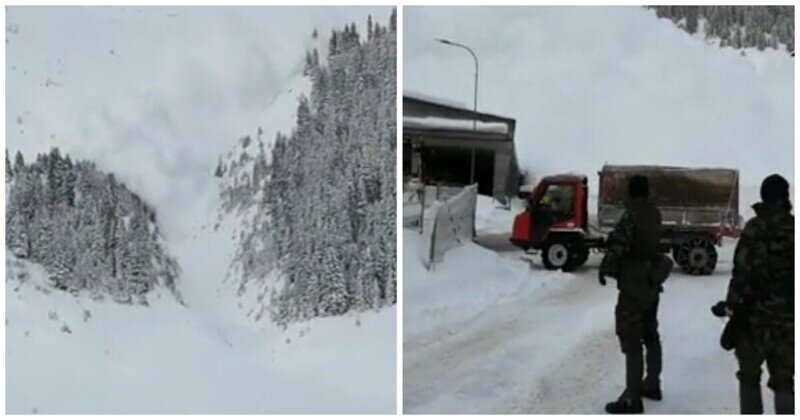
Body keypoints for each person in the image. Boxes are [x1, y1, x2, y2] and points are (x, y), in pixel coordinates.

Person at [725, 174, 794, 414]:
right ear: (786, 197)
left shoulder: (754, 228)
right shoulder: (794, 230)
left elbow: (740, 272)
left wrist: (731, 306)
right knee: (785, 380)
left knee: (749, 378)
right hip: (788, 322)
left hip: (752, 319)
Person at [599, 175, 664, 414]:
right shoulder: (654, 214)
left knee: (631, 338)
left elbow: (619, 245)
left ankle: (632, 398)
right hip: (651, 283)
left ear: (630, 193)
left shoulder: (631, 215)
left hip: (633, 285)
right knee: (651, 334)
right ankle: (653, 383)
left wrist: (605, 268)